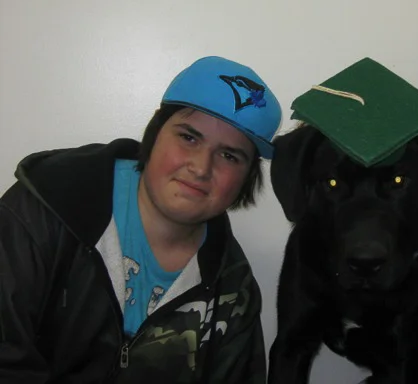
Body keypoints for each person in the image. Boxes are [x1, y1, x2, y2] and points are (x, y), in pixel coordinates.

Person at [0, 56, 282, 383]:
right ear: (154, 132)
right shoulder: (44, 209)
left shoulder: (232, 290)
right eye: (189, 138)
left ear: (246, 179)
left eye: (229, 155)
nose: (201, 168)